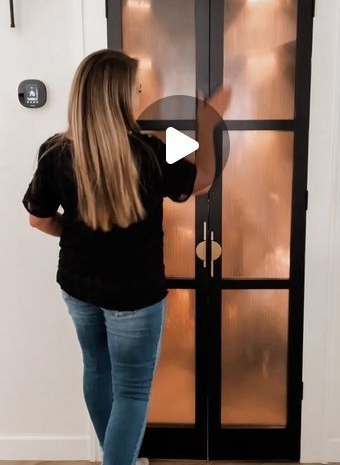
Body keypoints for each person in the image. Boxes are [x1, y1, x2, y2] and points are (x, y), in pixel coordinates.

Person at [22, 48, 231, 465]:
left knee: (97, 370)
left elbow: (39, 221)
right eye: (134, 88)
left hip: (79, 289)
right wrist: (208, 122)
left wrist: (82, 237)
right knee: (132, 390)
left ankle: (118, 458)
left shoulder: (55, 152)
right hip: (135, 296)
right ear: (117, 96)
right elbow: (203, 179)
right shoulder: (149, 153)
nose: (139, 93)